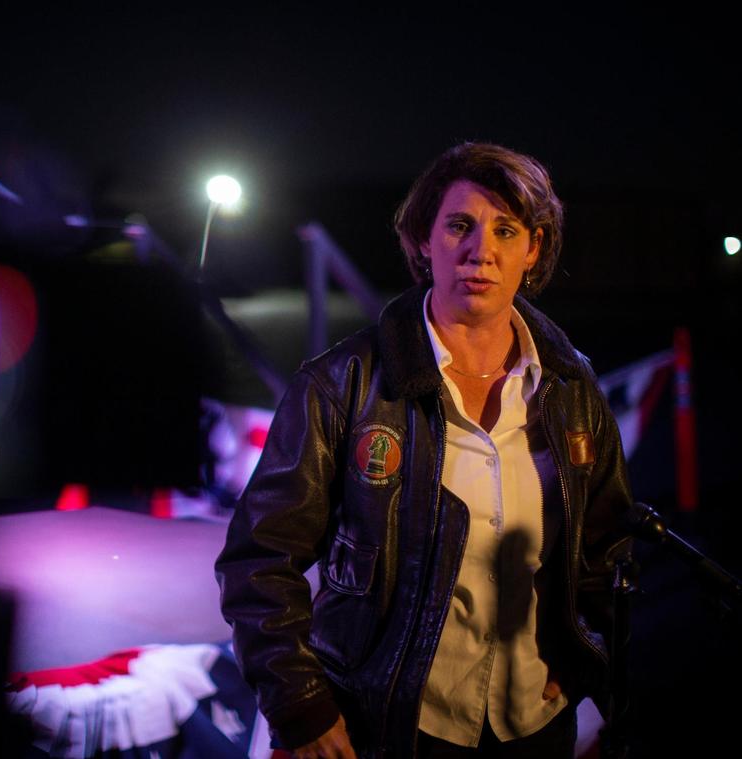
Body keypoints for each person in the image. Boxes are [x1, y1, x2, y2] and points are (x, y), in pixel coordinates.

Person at [215, 143, 633, 758]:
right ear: (422, 241)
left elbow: (610, 549)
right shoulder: (342, 385)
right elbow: (259, 562)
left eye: (506, 230)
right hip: (389, 728)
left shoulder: (572, 389)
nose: (480, 251)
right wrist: (302, 708)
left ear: (533, 249)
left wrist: (587, 666)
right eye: (459, 225)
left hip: (536, 725)